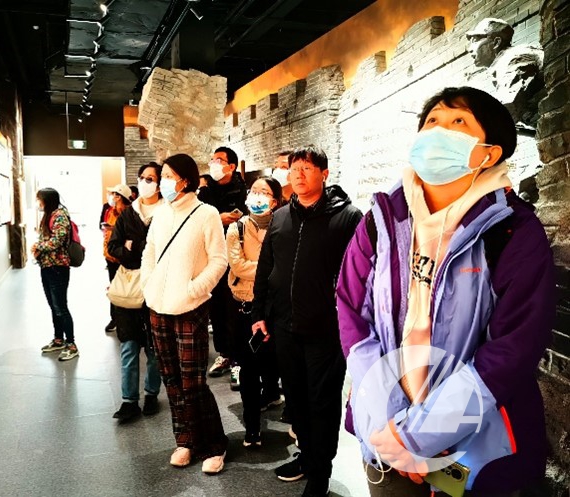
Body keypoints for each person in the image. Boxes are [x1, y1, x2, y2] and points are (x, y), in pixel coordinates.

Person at [336, 87, 555, 497]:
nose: (439, 131)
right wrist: (391, 427)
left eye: (458, 122)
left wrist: (421, 436)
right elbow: (352, 312)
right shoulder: (381, 221)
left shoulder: (513, 231)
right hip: (385, 435)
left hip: (470, 446)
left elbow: (513, 346)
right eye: (432, 121)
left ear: (489, 153)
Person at [251, 146, 363, 497]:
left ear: (324, 174)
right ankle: (306, 457)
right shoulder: (281, 216)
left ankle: (320, 473)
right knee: (296, 400)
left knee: (322, 403)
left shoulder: (348, 217)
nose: (298, 175)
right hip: (285, 327)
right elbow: (266, 267)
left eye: (307, 168)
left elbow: (361, 273)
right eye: (294, 168)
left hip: (326, 330)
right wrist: (259, 314)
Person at [141, 153, 229, 474]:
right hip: (158, 307)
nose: (162, 181)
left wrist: (195, 289)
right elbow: (149, 252)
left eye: (167, 176)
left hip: (190, 307)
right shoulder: (162, 214)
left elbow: (219, 260)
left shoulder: (206, 214)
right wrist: (148, 285)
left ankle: (215, 445)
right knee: (172, 379)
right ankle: (185, 441)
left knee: (193, 382)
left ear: (185, 180)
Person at [226, 176, 283, 447]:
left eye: (264, 192)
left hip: (276, 308)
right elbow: (237, 267)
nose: (257, 196)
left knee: (279, 364)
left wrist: (259, 267)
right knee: (248, 369)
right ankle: (252, 427)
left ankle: (277, 401)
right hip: (244, 306)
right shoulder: (236, 228)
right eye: (254, 191)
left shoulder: (283, 227)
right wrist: (270, 269)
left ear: (275, 201)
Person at [107, 163, 164, 423]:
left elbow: (164, 250)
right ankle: (129, 400)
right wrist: (133, 250)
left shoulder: (167, 212)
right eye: (142, 177)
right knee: (128, 347)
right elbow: (114, 247)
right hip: (129, 289)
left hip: (156, 288)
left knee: (154, 349)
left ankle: (151, 393)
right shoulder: (129, 213)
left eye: (150, 178)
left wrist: (134, 246)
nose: (145, 182)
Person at [198, 147, 247, 384]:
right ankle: (224, 354)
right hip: (211, 257)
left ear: (232, 166)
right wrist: (219, 218)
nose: (214, 163)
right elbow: (199, 219)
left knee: (234, 311)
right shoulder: (205, 192)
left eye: (220, 160)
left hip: (237, 258)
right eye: (212, 159)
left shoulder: (244, 191)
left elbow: (247, 219)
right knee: (216, 309)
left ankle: (239, 360)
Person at [466, 18, 543, 128]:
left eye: (475, 41)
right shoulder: (504, 63)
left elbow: (509, 105)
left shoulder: (513, 57)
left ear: (496, 42)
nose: (469, 49)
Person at [32, 188, 79, 361]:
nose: (38, 203)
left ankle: (71, 344)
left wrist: (38, 247)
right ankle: (59, 339)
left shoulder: (59, 216)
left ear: (47, 200)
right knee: (54, 306)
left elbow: (57, 240)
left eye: (39, 199)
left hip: (58, 267)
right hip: (46, 265)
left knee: (61, 307)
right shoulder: (49, 215)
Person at [102, 184, 132, 333]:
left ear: (120, 197)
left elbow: (129, 233)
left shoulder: (129, 213)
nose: (112, 197)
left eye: (115, 194)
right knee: (113, 288)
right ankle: (114, 318)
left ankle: (125, 321)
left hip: (123, 258)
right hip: (110, 256)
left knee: (125, 290)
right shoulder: (110, 211)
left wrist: (114, 229)